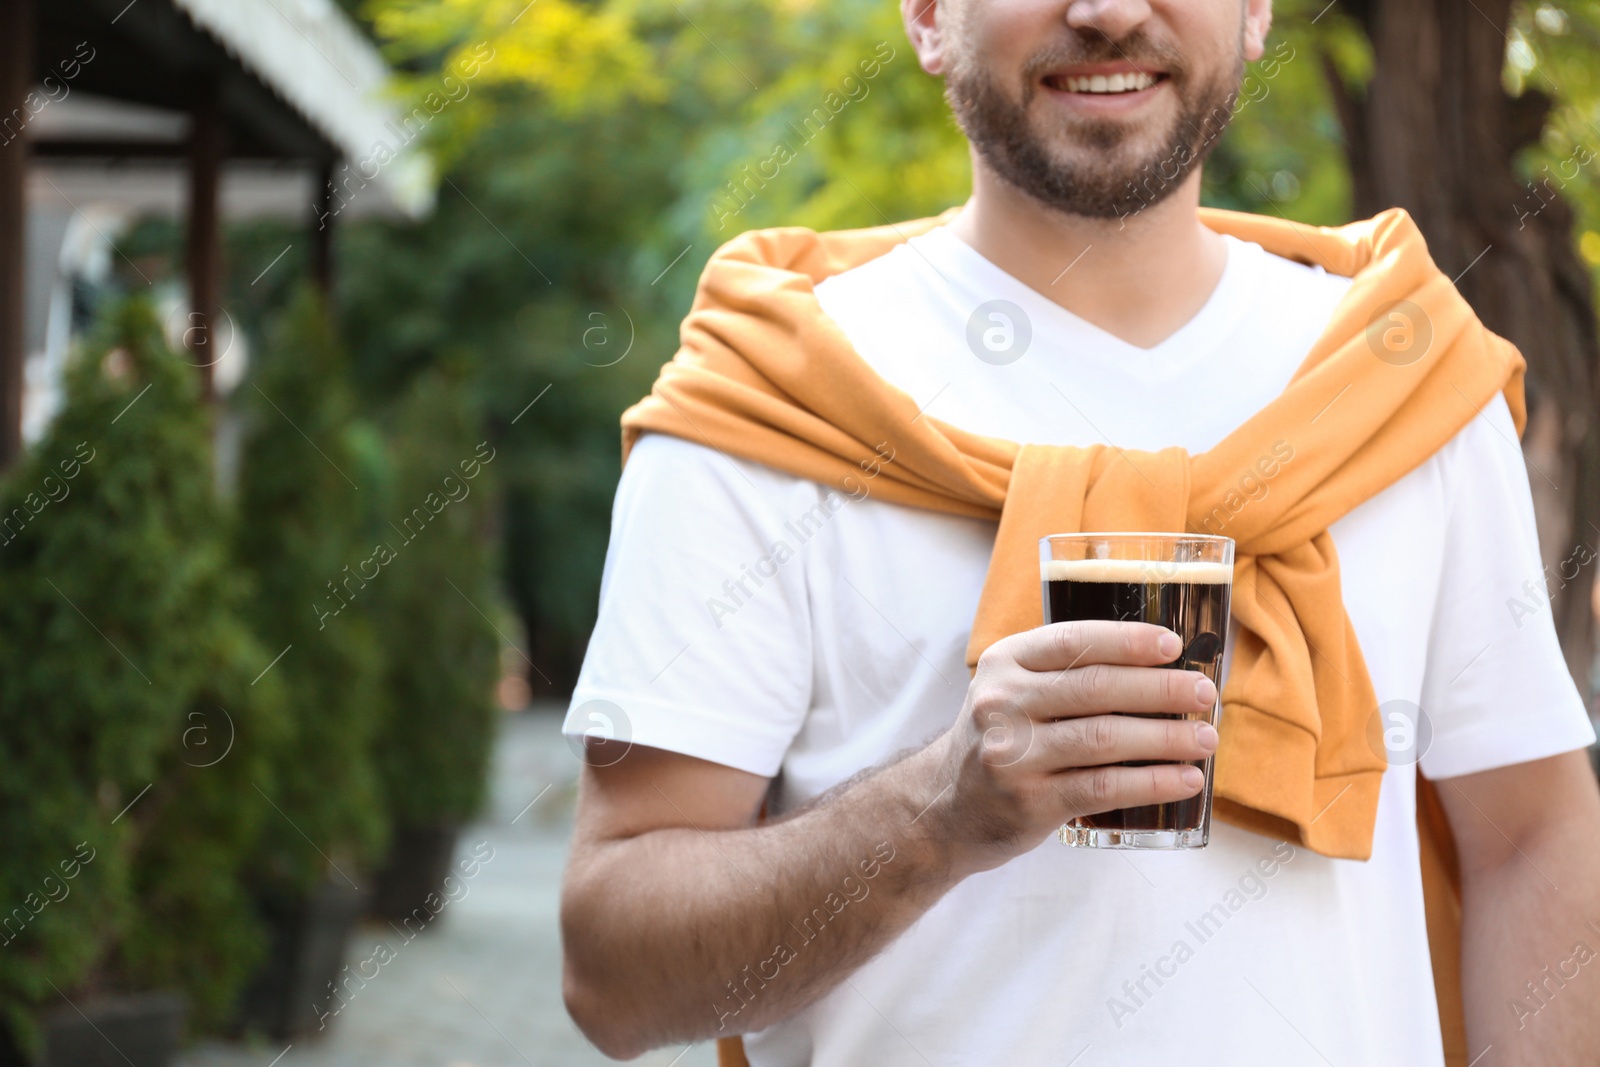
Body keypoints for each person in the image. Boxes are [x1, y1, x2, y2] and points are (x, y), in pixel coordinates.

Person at [559, 1, 1600, 1064]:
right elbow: (612, 976)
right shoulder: (766, 410)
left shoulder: (1405, 384)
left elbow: (1532, 836)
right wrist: (936, 812)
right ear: (925, 18)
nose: (1104, 10)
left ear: (1252, 14)